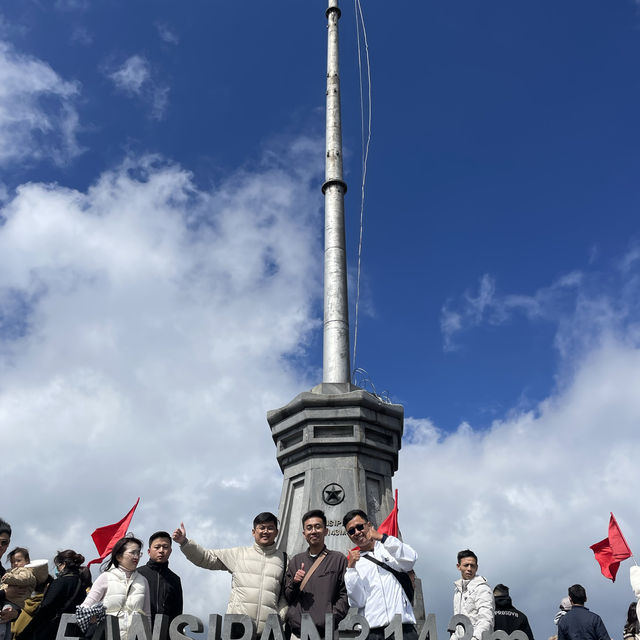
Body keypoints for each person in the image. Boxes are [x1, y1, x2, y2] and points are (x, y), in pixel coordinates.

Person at [173, 512, 287, 635]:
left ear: (276, 532)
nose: (266, 531)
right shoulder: (239, 554)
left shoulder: (284, 560)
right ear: (254, 532)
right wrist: (184, 542)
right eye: (262, 528)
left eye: (270, 528)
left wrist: (279, 617)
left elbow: (286, 595)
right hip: (238, 629)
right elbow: (206, 558)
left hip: (269, 631)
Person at [342, 509, 418, 640]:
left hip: (403, 628)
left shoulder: (388, 547)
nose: (357, 532)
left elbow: (411, 559)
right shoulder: (354, 564)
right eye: (351, 531)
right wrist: (351, 569)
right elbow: (357, 601)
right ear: (349, 536)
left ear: (369, 525)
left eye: (360, 527)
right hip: (372, 631)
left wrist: (382, 538)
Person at [284, 510, 348, 639]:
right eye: (309, 528)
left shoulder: (338, 559)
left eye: (318, 527)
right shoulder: (296, 560)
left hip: (327, 633)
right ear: (304, 534)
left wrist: (331, 617)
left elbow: (345, 593)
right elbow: (288, 596)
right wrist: (295, 583)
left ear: (326, 531)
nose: (313, 531)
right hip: (298, 632)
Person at [81, 536, 150, 640]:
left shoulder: (143, 581)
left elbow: (147, 616)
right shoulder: (106, 577)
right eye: (132, 552)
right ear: (118, 556)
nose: (136, 557)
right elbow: (85, 608)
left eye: (139, 553)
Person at [19, 551, 86, 640]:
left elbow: (46, 607)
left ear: (63, 564)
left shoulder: (60, 582)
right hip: (71, 632)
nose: (57, 569)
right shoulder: (80, 584)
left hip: (51, 632)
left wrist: (26, 633)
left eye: (57, 566)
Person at [136, 531, 183, 638]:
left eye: (165, 547)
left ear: (170, 551)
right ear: (149, 551)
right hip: (138, 632)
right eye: (157, 547)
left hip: (164, 634)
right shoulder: (137, 574)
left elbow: (177, 613)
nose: (161, 551)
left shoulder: (175, 579)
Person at [452, 550, 494, 640]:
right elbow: (457, 624)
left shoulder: (483, 588)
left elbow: (486, 619)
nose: (469, 569)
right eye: (466, 565)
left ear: (477, 567)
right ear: (458, 567)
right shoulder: (458, 592)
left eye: (472, 566)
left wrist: (475, 638)